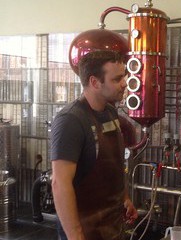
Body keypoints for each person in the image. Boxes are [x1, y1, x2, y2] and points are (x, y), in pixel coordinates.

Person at [51, 50, 138, 240]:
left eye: (124, 76)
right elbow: (60, 184)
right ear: (95, 82)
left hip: (111, 226)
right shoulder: (71, 120)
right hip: (85, 230)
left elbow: (112, 166)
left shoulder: (110, 112)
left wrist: (124, 198)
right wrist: (76, 235)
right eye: (117, 79)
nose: (124, 83)